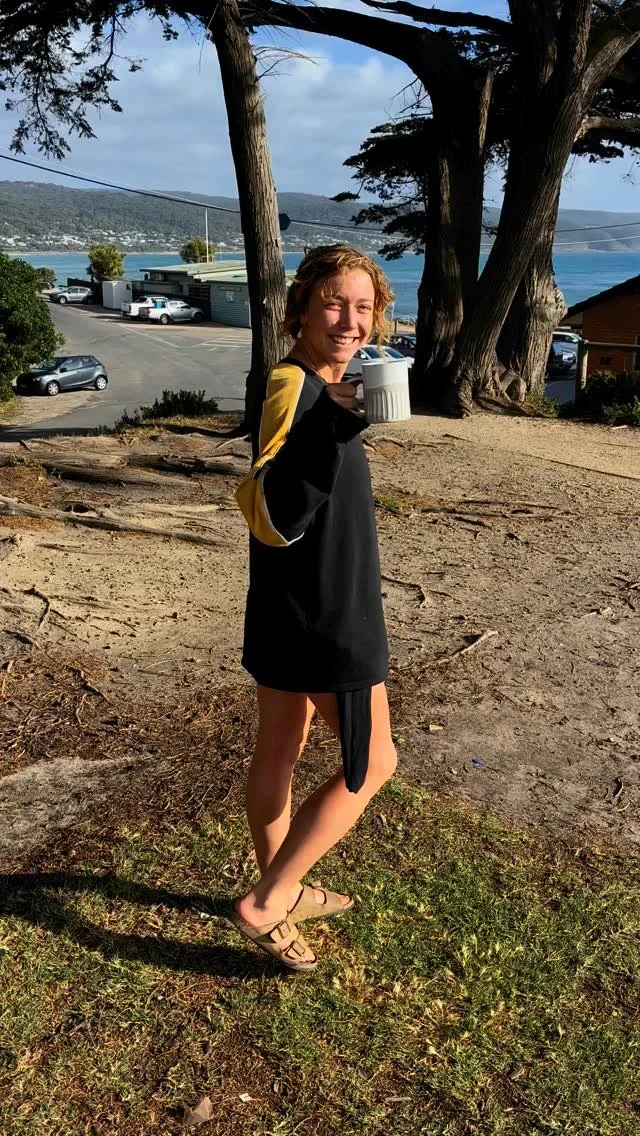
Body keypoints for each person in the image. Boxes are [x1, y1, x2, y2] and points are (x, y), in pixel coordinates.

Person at [230, 245, 397, 972]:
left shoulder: (319, 386)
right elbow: (269, 510)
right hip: (326, 618)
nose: (350, 320)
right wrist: (329, 421)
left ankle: (282, 890)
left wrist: (337, 413)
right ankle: (271, 898)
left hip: (283, 608)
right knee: (374, 763)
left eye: (363, 307)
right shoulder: (294, 388)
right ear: (300, 307)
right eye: (334, 302)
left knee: (280, 749)